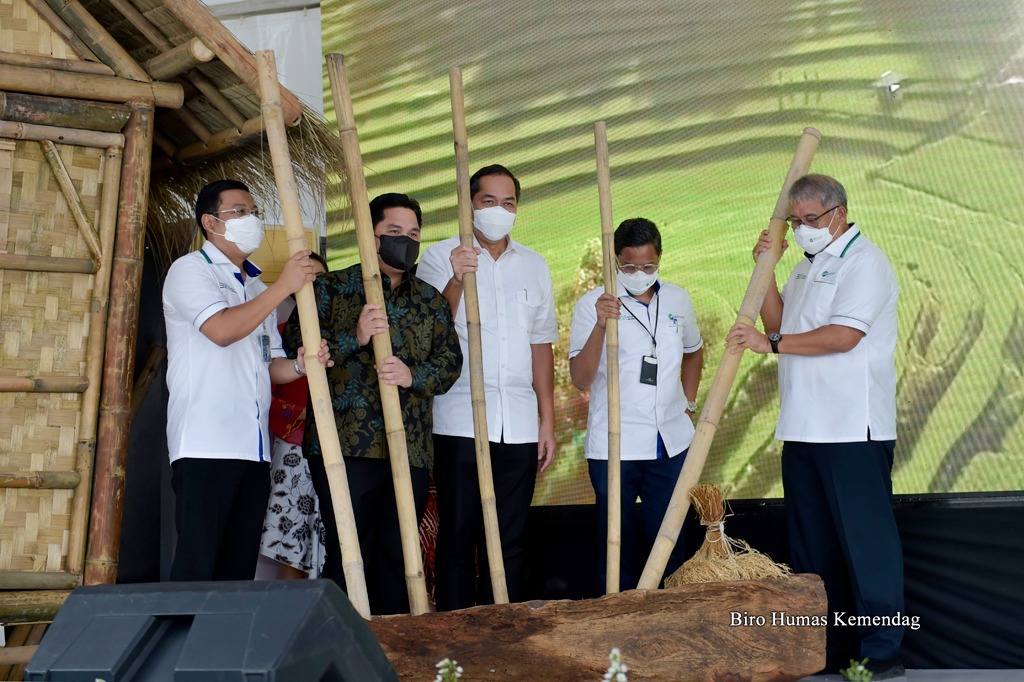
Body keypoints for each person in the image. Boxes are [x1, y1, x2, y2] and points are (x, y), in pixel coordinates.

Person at [725, 174, 904, 680]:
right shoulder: (807, 266)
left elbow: (844, 336)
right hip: (803, 426)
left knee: (865, 545)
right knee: (813, 545)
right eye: (796, 221)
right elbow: (779, 326)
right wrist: (766, 270)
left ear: (838, 214)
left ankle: (883, 651)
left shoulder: (865, 262)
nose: (803, 228)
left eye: (811, 219)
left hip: (851, 428)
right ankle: (827, 647)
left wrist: (770, 346)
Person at [284, 192, 462, 615]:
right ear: (371, 235)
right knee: (349, 552)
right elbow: (298, 346)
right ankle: (339, 641)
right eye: (395, 231)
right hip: (344, 447)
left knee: (398, 556)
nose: (406, 241)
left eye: (413, 234)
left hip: (409, 449)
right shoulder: (330, 289)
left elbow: (449, 364)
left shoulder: (430, 301)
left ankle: (392, 643)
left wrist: (412, 376)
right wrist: (356, 336)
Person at [163, 179, 329, 581]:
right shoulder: (190, 270)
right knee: (198, 566)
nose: (250, 220)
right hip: (205, 443)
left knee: (237, 571)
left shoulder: (255, 287)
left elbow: (270, 366)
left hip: (253, 450)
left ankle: (228, 627)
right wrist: (283, 287)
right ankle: (185, 626)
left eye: (253, 212)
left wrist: (301, 366)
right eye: (239, 212)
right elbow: (221, 331)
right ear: (210, 222)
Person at [417, 164, 558, 610]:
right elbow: (427, 332)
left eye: (508, 202)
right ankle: (456, 632)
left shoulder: (534, 265)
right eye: (489, 201)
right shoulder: (440, 256)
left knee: (511, 538)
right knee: (459, 536)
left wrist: (547, 421)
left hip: (518, 421)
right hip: (459, 418)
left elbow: (541, 346)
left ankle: (506, 629)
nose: (499, 210)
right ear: (470, 205)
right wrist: (457, 278)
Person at [568, 218, 703, 591]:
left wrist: (689, 399)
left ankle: (672, 613)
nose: (640, 274)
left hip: (670, 442)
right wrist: (600, 324)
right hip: (615, 445)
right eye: (629, 267)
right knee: (617, 548)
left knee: (670, 543)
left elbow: (694, 351)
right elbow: (580, 378)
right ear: (615, 261)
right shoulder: (592, 304)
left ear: (659, 258)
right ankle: (618, 617)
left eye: (648, 266)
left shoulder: (677, 299)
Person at [260, 252, 329, 579]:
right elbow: (264, 392)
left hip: (337, 449)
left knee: (331, 540)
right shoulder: (279, 334)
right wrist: (299, 416)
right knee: (290, 542)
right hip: (293, 449)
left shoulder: (346, 337)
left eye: (319, 280)